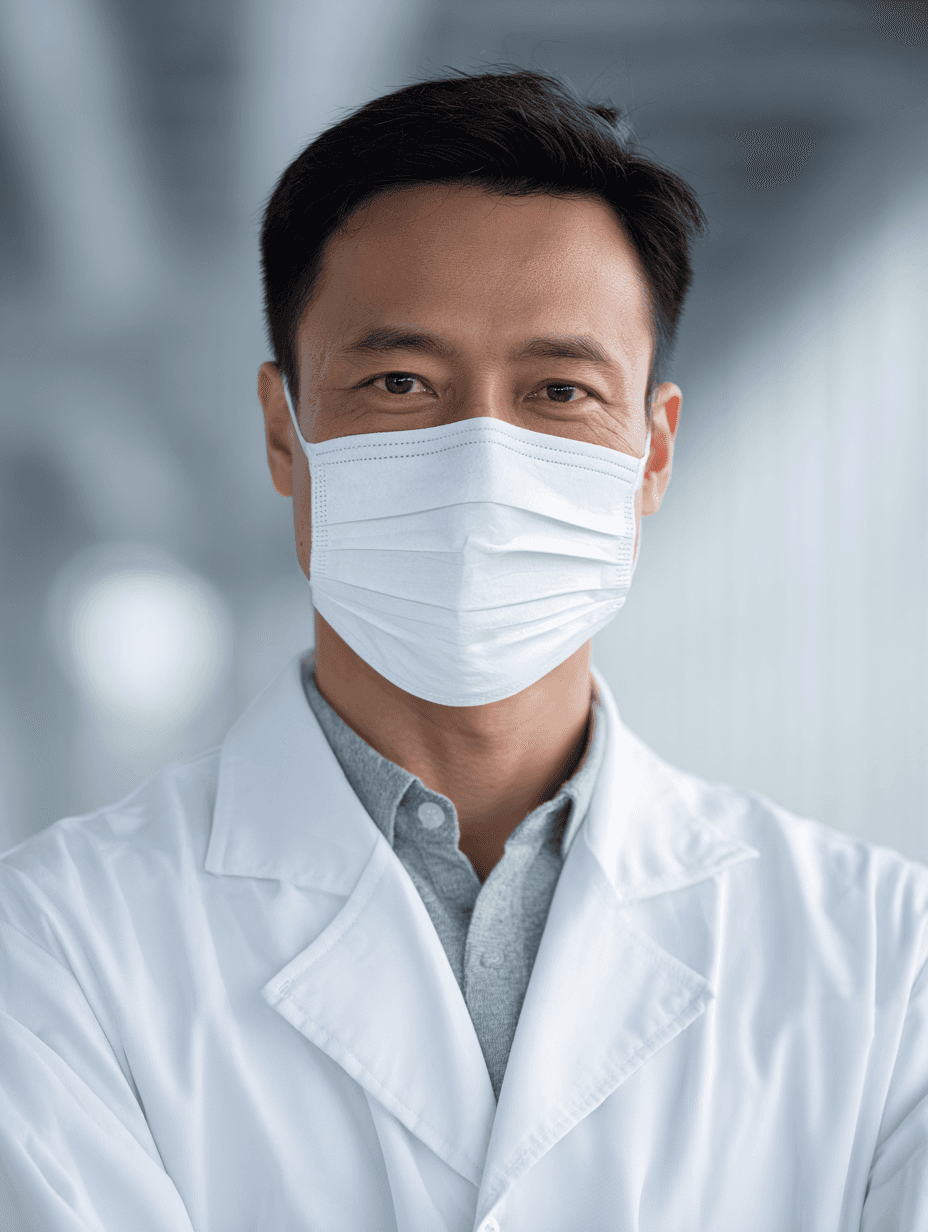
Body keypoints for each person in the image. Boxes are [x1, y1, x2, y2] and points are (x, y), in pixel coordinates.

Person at [0, 66, 925, 1232]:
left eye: (557, 389)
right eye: (400, 381)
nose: (483, 459)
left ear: (651, 449)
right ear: (286, 432)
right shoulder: (47, 950)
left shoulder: (887, 959)